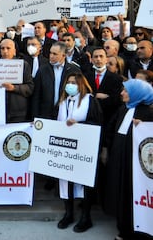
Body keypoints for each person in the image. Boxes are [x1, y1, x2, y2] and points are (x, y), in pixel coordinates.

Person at [104, 79, 153, 240]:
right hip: (119, 161)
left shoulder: (148, 112)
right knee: (120, 194)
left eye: (126, 91)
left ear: (137, 94)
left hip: (135, 166)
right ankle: (123, 229)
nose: (121, 93)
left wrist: (145, 125)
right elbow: (111, 130)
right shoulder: (123, 109)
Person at [56, 73, 102, 232]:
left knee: (83, 181)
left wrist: (79, 124)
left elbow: (97, 123)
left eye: (74, 83)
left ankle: (85, 217)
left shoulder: (90, 100)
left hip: (83, 149)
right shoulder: (63, 101)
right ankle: (68, 214)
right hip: (64, 148)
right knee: (65, 179)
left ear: (81, 84)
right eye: (68, 82)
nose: (70, 85)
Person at [32, 41, 81, 120]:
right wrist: (35, 117)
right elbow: (36, 95)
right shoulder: (43, 70)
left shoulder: (73, 70)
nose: (51, 56)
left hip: (66, 114)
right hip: (45, 114)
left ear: (63, 55)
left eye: (55, 54)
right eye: (50, 53)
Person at [0, 39, 34, 122]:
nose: (5, 51)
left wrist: (13, 88)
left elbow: (30, 87)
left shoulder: (23, 65)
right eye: (2, 48)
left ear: (14, 51)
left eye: (8, 48)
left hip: (17, 112)